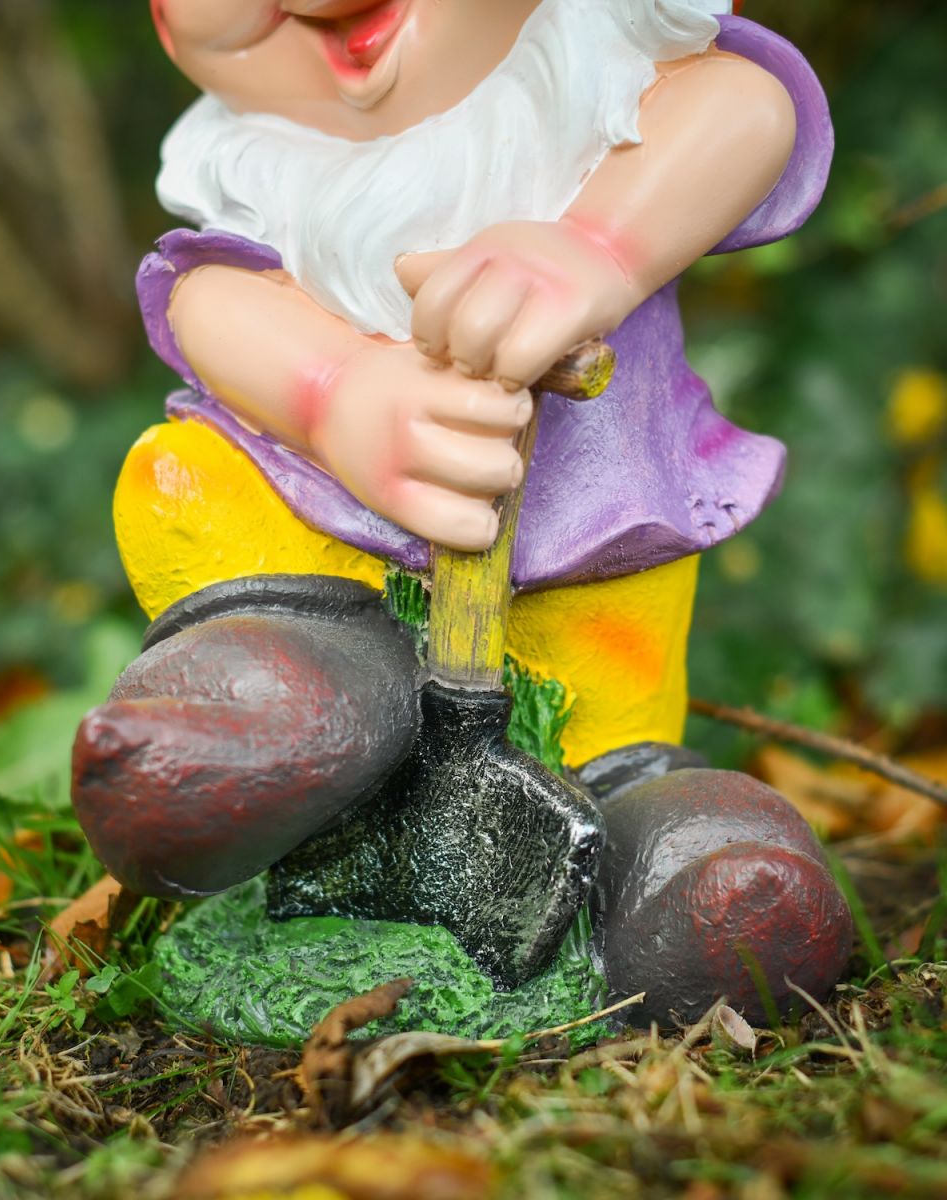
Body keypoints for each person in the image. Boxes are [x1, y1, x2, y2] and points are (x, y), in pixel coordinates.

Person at [73, 0, 852, 1022]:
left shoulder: (598, 64)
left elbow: (746, 109)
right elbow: (207, 298)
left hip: (582, 540)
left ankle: (669, 849)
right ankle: (265, 706)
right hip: (309, 530)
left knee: (601, 716)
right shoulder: (252, 159)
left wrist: (598, 247)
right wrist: (333, 392)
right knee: (198, 496)